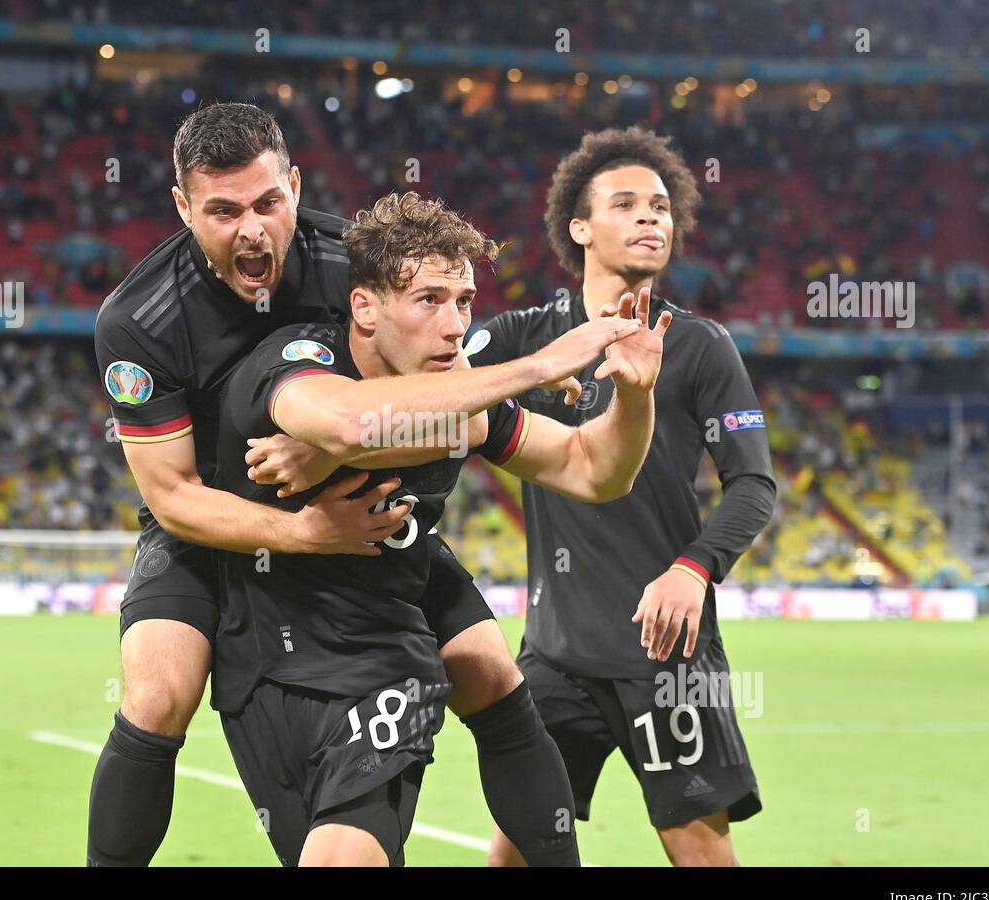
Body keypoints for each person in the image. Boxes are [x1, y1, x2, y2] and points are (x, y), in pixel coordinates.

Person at [91, 103, 591, 866]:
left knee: (491, 672)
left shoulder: (352, 263)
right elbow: (173, 497)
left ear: (295, 185)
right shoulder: (140, 320)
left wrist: (325, 458)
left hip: (361, 491)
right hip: (217, 517)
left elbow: (428, 384)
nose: (252, 230)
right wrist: (299, 530)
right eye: (223, 211)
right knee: (157, 695)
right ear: (184, 207)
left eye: (268, 202)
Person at [214, 190, 668, 865]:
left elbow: (595, 470)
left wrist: (635, 395)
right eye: (429, 300)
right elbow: (353, 420)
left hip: (388, 640)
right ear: (364, 307)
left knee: (490, 675)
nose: (455, 326)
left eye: (463, 303)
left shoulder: (462, 393)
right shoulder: (297, 360)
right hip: (269, 647)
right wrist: (541, 363)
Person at [469, 127, 777, 866]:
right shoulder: (524, 340)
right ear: (580, 228)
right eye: (629, 204)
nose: (652, 218)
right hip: (555, 656)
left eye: (663, 207)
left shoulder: (700, 347)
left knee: (699, 852)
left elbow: (754, 485)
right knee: (517, 848)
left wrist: (693, 567)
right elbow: (428, 383)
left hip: (666, 653)